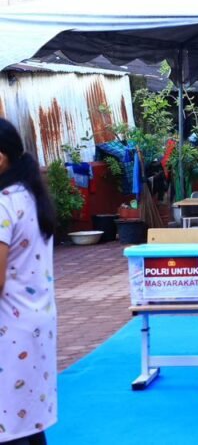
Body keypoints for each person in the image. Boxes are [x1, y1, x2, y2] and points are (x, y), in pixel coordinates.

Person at [0, 118, 58, 444]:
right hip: (35, 320)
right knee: (29, 419)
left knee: (9, 424)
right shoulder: (29, 196)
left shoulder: (2, 203)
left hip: (9, 326)